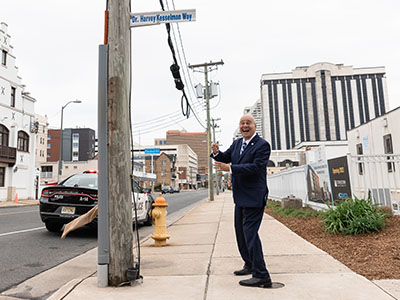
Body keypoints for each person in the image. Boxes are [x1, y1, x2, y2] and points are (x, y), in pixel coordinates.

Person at [211, 114, 272, 288]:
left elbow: (255, 167)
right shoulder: (238, 143)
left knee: (250, 234)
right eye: (242, 123)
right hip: (240, 197)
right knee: (241, 234)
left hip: (254, 197)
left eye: (248, 123)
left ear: (254, 126)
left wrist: (229, 168)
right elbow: (225, 157)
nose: (245, 126)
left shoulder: (262, 145)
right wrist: (216, 153)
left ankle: (262, 275)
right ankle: (250, 264)